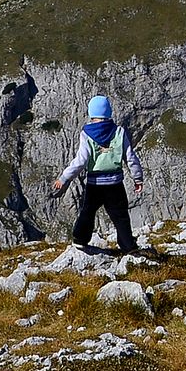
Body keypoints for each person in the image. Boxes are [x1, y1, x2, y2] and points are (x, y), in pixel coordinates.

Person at [52, 95, 146, 254]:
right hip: (115, 184)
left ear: (91, 113)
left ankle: (80, 240)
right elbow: (130, 158)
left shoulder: (86, 133)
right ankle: (128, 246)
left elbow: (80, 161)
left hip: (94, 184)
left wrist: (64, 178)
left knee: (88, 212)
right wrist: (137, 178)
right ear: (109, 112)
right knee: (120, 216)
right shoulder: (119, 132)